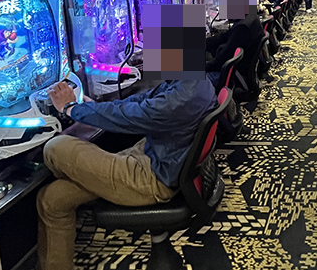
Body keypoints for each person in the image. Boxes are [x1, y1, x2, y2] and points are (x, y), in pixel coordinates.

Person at [39, 80, 218, 270]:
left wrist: (70, 108)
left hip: (153, 179)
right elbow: (142, 101)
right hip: (158, 158)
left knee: (55, 148)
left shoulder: (181, 98)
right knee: (52, 199)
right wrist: (94, 107)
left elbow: (132, 116)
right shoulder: (193, 79)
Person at [205, 12, 264, 87]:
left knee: (191, 78)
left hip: (231, 75)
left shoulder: (242, 27)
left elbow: (220, 61)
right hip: (240, 68)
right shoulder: (250, 17)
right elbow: (223, 37)